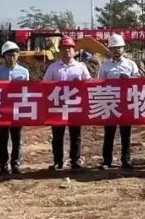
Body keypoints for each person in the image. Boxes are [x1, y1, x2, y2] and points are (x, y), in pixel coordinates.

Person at [44, 36, 92, 170]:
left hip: (75, 106)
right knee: (57, 136)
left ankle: (75, 160)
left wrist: (81, 82)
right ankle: (57, 161)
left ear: (74, 50)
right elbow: (45, 85)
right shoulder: (53, 68)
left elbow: (90, 83)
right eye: (64, 48)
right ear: (60, 50)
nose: (67, 51)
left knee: (75, 135)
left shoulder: (80, 67)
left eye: (70, 48)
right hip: (58, 107)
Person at [99, 34, 140, 169]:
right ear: (110, 49)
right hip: (110, 103)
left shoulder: (131, 64)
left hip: (126, 103)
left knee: (125, 133)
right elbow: (99, 83)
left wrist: (129, 80)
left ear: (123, 48)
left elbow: (139, 82)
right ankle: (107, 160)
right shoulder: (105, 66)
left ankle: (126, 160)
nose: (116, 50)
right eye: (113, 48)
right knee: (109, 133)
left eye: (119, 48)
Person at [0, 41, 29, 177]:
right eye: (9, 55)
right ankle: (3, 166)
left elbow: (28, 91)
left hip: (17, 110)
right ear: (4, 56)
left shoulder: (24, 72)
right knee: (2, 140)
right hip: (1, 110)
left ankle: (15, 164)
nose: (12, 57)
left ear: (18, 55)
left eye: (14, 55)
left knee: (16, 139)